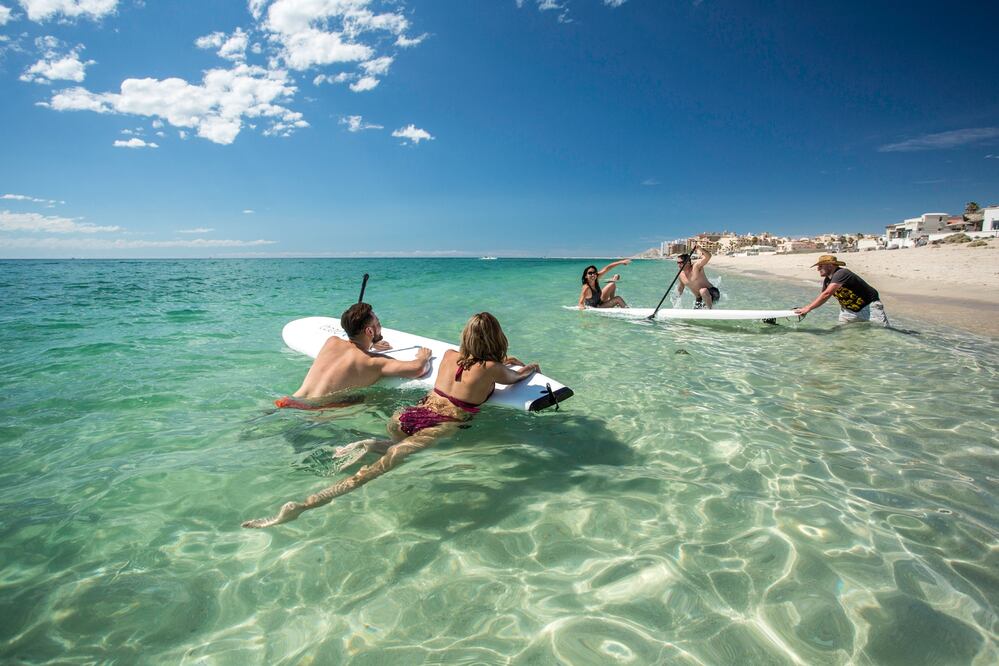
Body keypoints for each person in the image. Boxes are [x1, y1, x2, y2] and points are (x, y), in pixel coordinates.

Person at [243, 312, 539, 528]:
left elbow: (475, 367)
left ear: (465, 337)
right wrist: (528, 367)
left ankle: (370, 443)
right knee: (372, 473)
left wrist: (501, 363)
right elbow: (514, 377)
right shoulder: (492, 368)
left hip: (410, 414)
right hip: (442, 421)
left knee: (394, 445)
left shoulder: (450, 355)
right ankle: (302, 506)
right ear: (497, 338)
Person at [274, 302, 431, 410]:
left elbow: (351, 345)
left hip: (288, 401)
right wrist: (423, 357)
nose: (380, 326)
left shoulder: (331, 342)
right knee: (359, 400)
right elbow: (418, 369)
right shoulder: (373, 362)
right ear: (369, 331)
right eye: (377, 324)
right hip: (311, 412)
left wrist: (371, 344)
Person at [794, 255, 890, 326]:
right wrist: (805, 309)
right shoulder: (827, 280)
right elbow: (822, 297)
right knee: (844, 333)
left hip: (869, 307)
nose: (818, 269)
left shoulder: (842, 273)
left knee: (882, 332)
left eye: (820, 266)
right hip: (848, 311)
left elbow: (826, 294)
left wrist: (808, 308)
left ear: (830, 266)